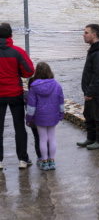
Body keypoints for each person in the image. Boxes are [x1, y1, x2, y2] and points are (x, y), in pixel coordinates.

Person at [0, 22, 34, 170]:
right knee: (19, 127)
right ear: (11, 35)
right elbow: (29, 71)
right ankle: (22, 159)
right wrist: (18, 73)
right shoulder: (18, 52)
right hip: (15, 94)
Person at [26, 62, 64, 171]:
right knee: (52, 138)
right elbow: (61, 104)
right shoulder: (57, 85)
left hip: (40, 117)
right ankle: (52, 162)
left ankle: (44, 162)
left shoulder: (33, 87)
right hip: (53, 117)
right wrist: (61, 115)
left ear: (37, 72)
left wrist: (28, 119)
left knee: (42, 139)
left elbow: (31, 107)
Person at [23, 78, 42, 167]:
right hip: (43, 120)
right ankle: (48, 157)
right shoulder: (42, 93)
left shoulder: (26, 94)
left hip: (32, 121)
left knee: (37, 139)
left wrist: (27, 120)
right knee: (45, 139)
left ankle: (39, 158)